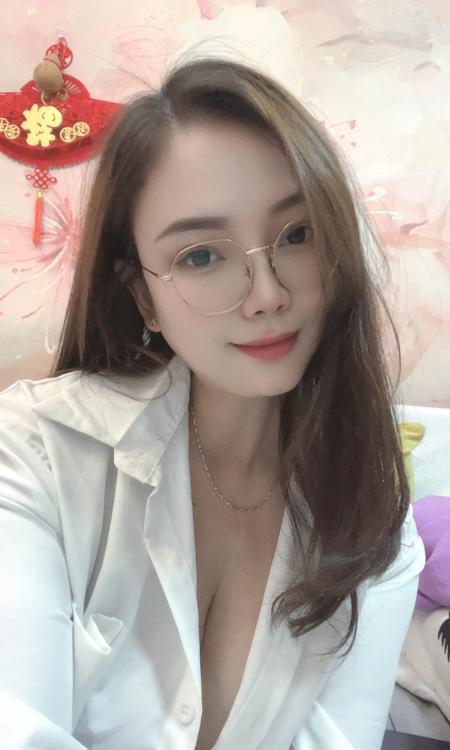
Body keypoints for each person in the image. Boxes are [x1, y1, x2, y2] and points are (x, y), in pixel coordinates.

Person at [0, 54, 425, 750]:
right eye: (201, 255)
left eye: (297, 235)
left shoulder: (373, 523)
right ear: (143, 297)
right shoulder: (34, 455)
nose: (268, 296)